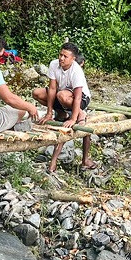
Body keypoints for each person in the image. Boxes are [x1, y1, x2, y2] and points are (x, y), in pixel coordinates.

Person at [33, 42, 96, 172]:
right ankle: (63, 112)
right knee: (37, 93)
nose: (61, 58)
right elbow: (52, 88)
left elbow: (78, 97)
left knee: (62, 96)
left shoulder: (76, 70)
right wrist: (49, 112)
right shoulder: (54, 64)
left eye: (65, 56)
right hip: (62, 97)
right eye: (60, 55)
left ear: (73, 59)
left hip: (79, 98)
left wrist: (73, 119)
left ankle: (79, 113)